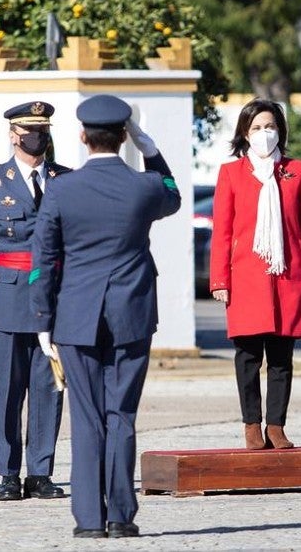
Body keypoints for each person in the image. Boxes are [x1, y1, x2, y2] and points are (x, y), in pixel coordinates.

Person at [30, 95, 180, 539]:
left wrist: (42, 317)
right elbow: (171, 192)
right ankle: (120, 515)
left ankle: (89, 521)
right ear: (124, 136)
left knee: (87, 416)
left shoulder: (61, 188)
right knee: (122, 415)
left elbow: (44, 256)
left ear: (82, 136)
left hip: (75, 315)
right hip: (130, 313)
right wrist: (150, 150)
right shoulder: (144, 186)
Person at [0, 101, 71, 502]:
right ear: (13, 135)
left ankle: (40, 471)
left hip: (53, 298)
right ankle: (8, 472)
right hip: (6, 293)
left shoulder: (64, 179)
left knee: (49, 387)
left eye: (43, 131)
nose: (37, 138)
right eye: (29, 131)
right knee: (9, 388)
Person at [209, 99, 301, 450]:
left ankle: (277, 425)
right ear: (244, 133)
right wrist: (220, 280)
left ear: (280, 130)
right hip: (247, 278)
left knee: (282, 357)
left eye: (269, 127)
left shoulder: (295, 171)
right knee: (249, 357)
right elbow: (222, 231)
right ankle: (252, 424)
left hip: (287, 276)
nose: (263, 134)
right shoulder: (231, 173)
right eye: (256, 128)